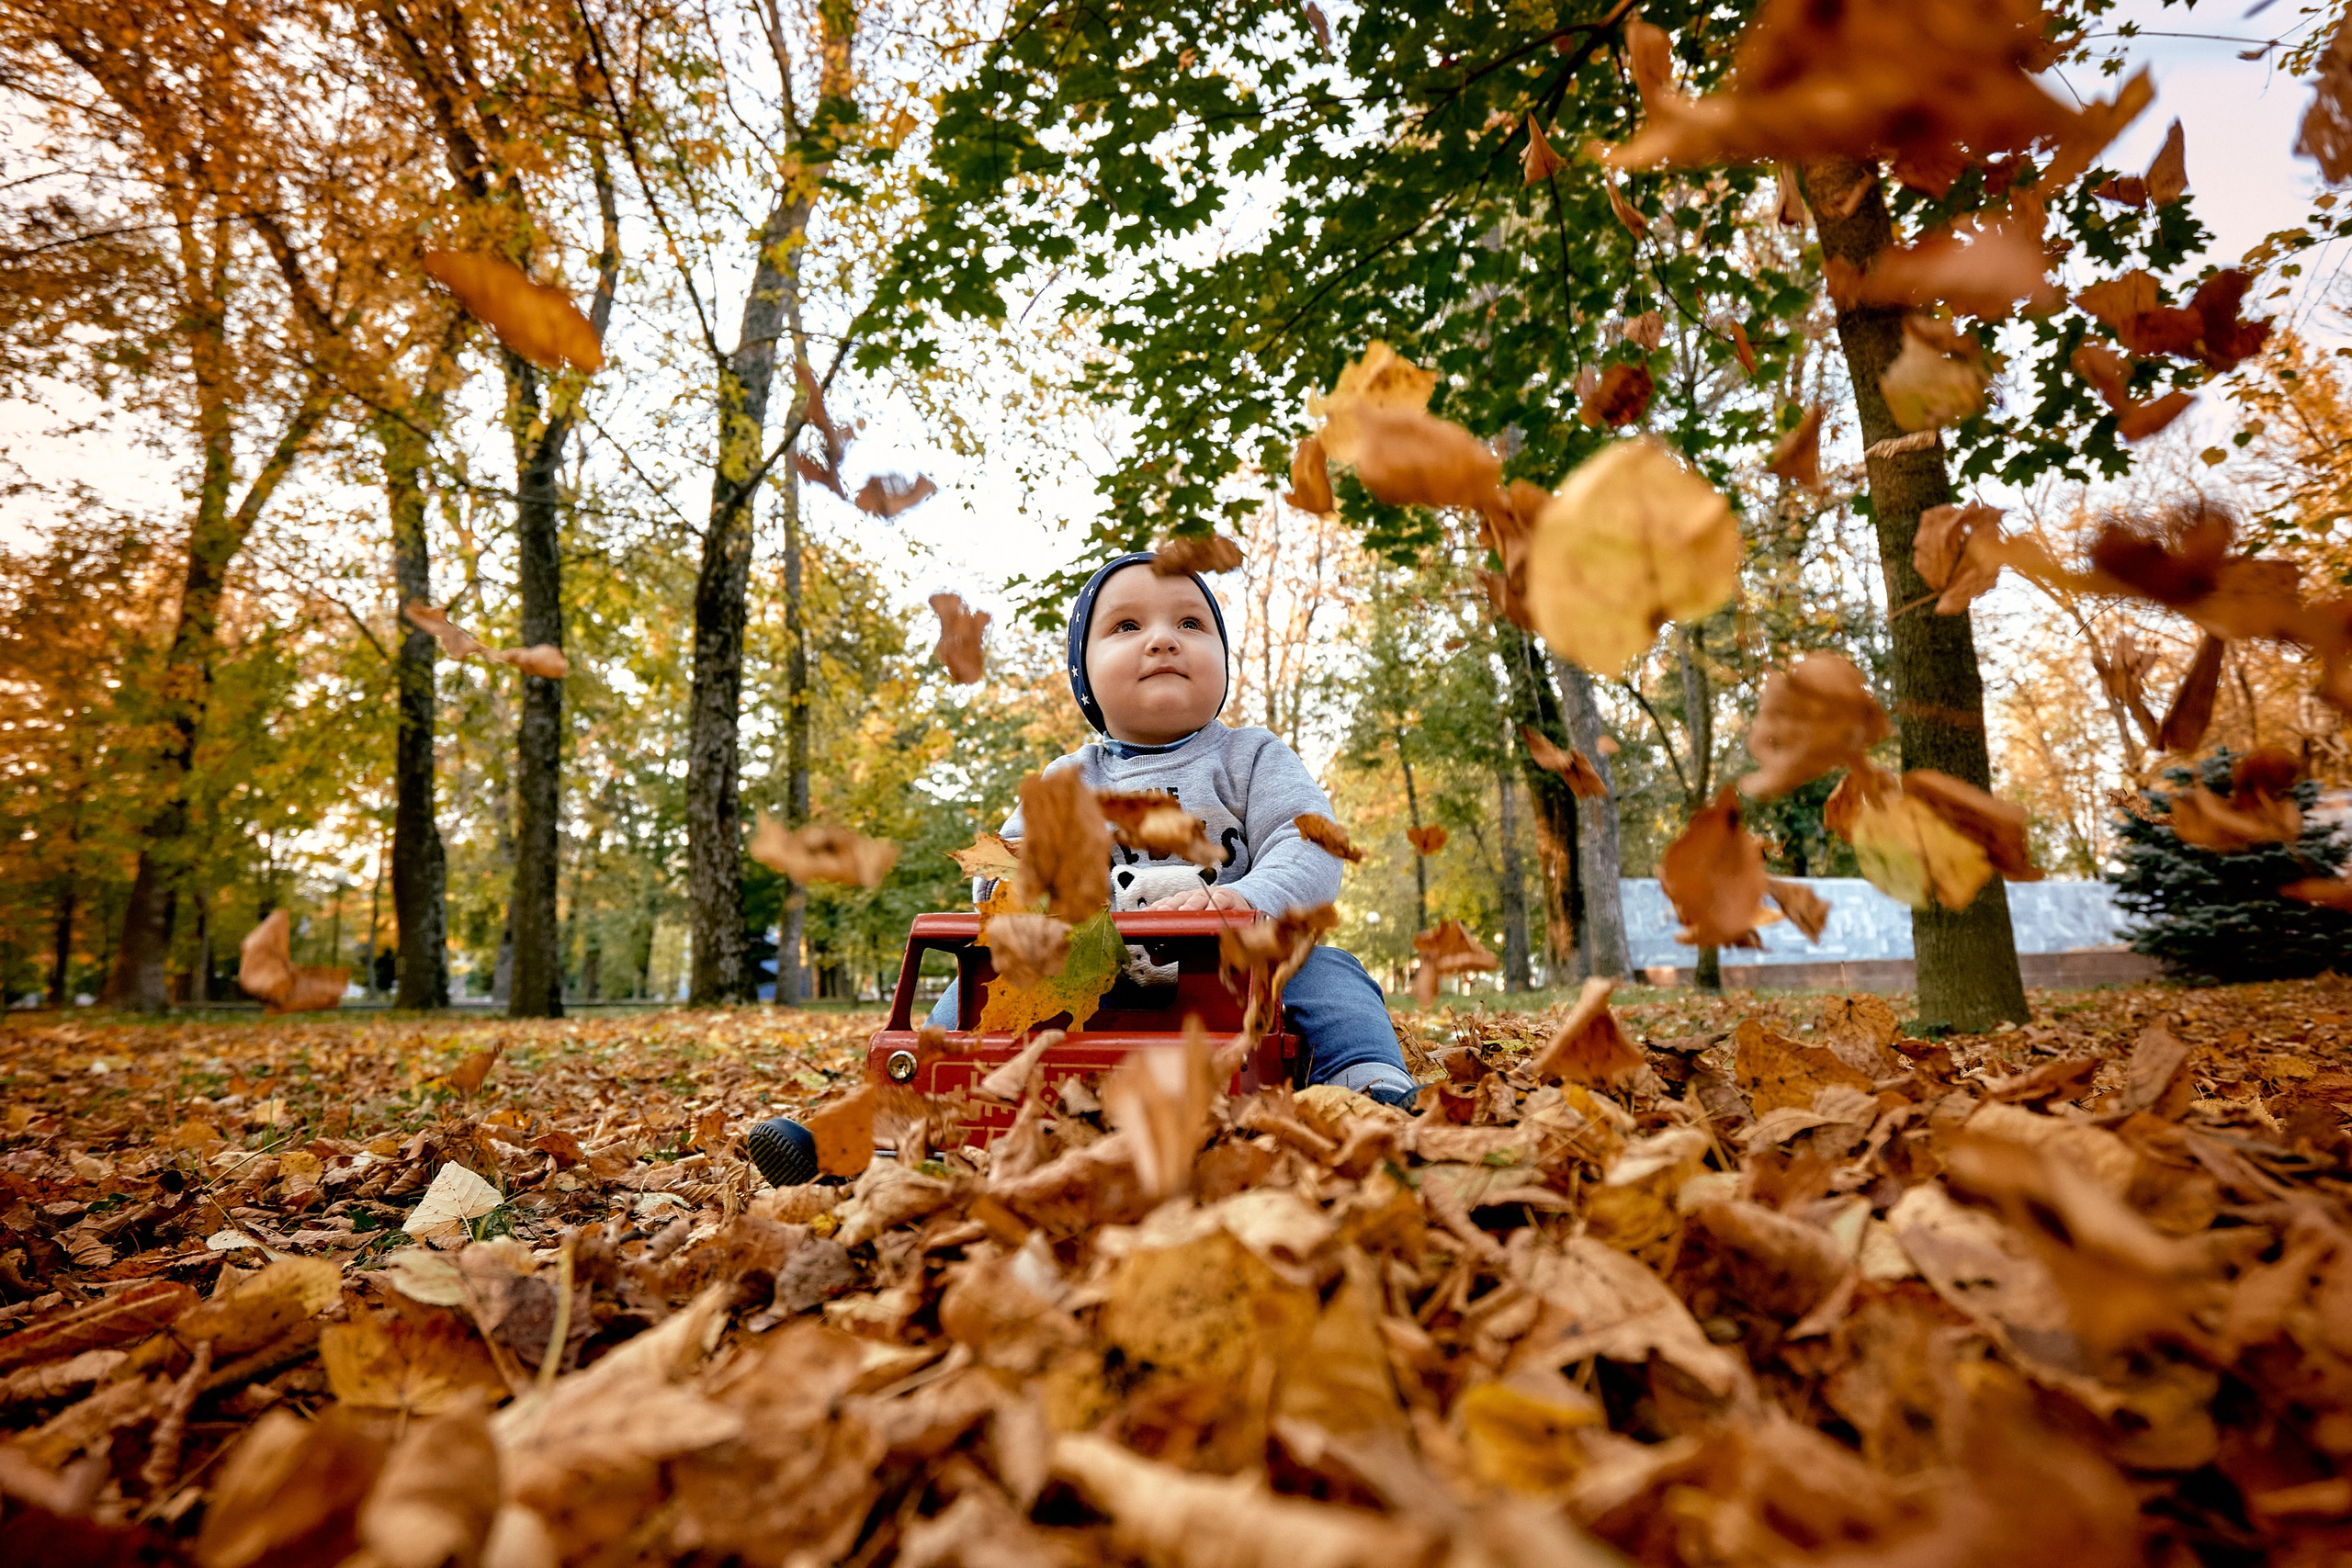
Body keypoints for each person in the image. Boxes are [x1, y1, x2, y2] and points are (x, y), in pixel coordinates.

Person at [745, 550, 1418, 1188]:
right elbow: (1006, 873)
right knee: (970, 1002)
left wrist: (1246, 898)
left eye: (1191, 623)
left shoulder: (1251, 757)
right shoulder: (1070, 777)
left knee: (1333, 978)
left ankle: (1375, 1097)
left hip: (1240, 976)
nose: (1163, 639)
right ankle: (874, 1120)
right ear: (1084, 673)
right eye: (1127, 625)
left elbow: (1312, 842)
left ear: (1221, 658)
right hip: (1087, 979)